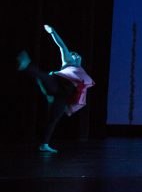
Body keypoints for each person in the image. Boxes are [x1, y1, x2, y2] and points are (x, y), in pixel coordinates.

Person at [16, 25, 95, 153]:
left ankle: (44, 144)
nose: (74, 54)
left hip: (63, 96)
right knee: (45, 76)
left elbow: (81, 92)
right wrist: (53, 32)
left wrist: (71, 104)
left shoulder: (81, 71)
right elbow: (62, 46)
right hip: (57, 85)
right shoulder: (69, 62)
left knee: (54, 118)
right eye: (73, 54)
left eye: (76, 54)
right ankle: (27, 65)